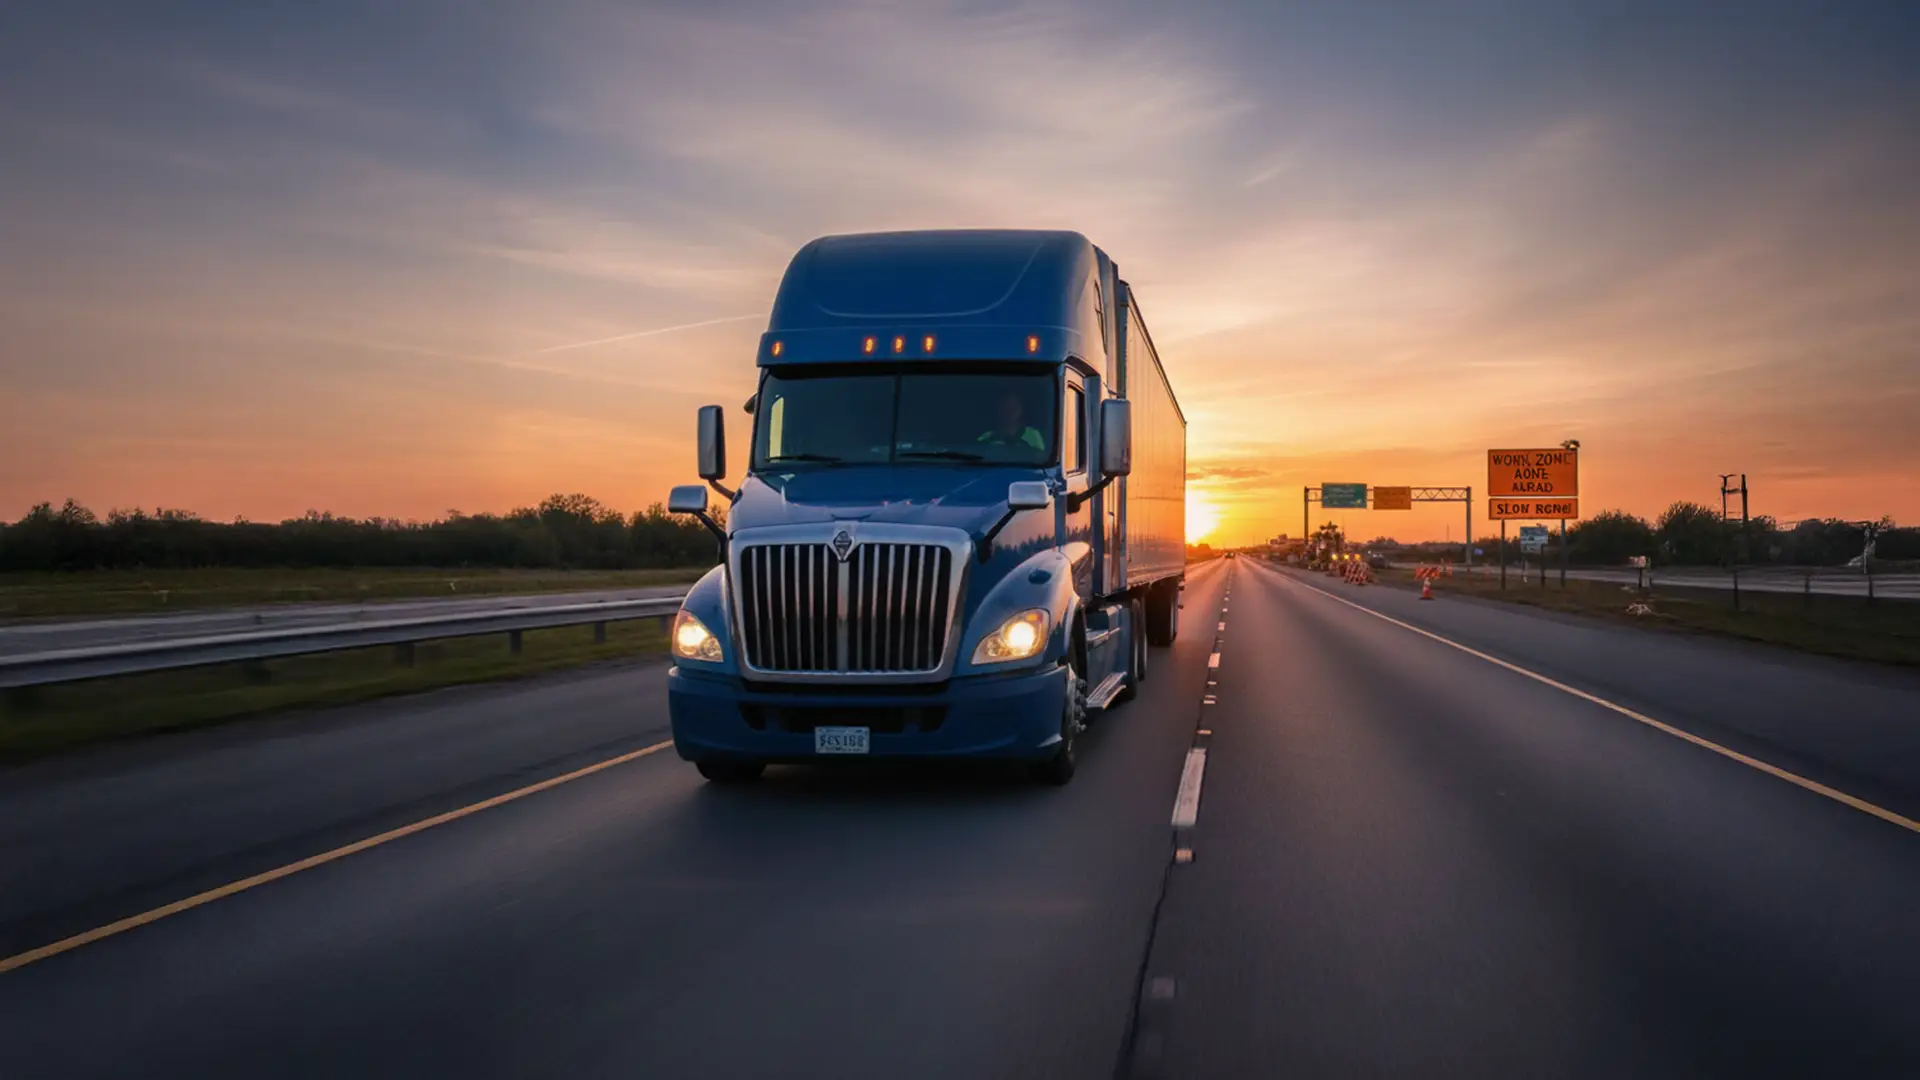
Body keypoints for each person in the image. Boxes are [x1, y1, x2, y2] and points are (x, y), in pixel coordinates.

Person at [976, 389, 1047, 453]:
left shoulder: (1033, 435)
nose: (1009, 413)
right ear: (997, 409)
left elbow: (1039, 458)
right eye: (1005, 408)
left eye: (1013, 408)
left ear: (1021, 409)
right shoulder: (986, 438)